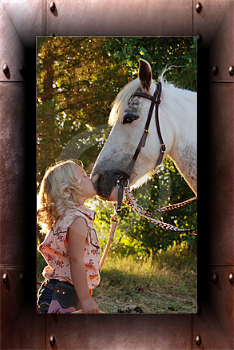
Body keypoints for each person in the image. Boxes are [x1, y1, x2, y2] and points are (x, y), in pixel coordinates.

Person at [37, 159, 117, 314]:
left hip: (59, 293)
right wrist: (86, 299)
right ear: (69, 190)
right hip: (62, 297)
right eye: (85, 177)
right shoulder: (77, 220)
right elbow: (75, 260)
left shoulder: (65, 218)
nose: (91, 179)